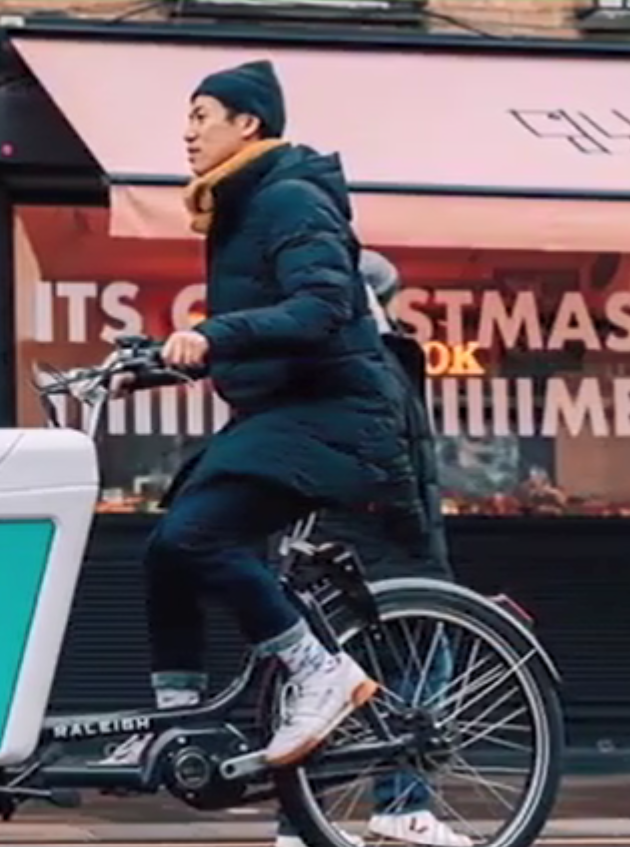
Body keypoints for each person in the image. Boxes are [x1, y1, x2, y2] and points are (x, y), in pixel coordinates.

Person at [110, 59, 417, 769]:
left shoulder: (290, 199)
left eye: (200, 116)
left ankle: (321, 672)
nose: (186, 133)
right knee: (166, 550)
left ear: (246, 123)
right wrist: (154, 363)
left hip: (335, 413)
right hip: (284, 411)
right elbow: (264, 328)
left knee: (196, 536)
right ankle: (176, 716)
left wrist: (212, 335)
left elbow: (322, 308)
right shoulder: (241, 204)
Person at [269, 250, 470, 847]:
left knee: (328, 682)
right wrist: (415, 532)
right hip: (378, 543)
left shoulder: (350, 356)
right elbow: (389, 456)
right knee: (411, 672)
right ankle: (396, 809)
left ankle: (310, 823)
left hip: (353, 538)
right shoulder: (368, 360)